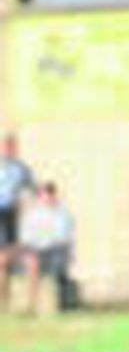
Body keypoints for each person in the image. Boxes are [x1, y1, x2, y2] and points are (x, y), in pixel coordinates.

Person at [18, 181, 74, 315]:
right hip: (36, 250)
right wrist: (33, 248)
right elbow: (26, 236)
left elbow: (62, 237)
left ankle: (61, 303)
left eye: (50, 195)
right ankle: (31, 305)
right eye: (44, 195)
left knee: (55, 265)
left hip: (56, 251)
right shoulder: (32, 215)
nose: (47, 198)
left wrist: (43, 241)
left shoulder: (63, 214)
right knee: (32, 264)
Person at [0, 133, 37, 304]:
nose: (9, 150)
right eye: (6, 147)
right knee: (3, 256)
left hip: (10, 212)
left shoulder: (21, 168)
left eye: (12, 147)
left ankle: (5, 296)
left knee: (7, 253)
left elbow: (33, 186)